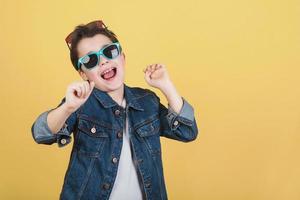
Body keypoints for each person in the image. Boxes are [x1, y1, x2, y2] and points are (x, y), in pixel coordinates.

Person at [31, 20, 198, 200]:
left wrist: (166, 86)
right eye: (91, 59)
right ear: (83, 74)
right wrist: (67, 108)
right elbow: (41, 133)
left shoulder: (147, 101)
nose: (103, 61)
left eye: (109, 51)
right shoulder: (80, 104)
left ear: (123, 58)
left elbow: (187, 131)